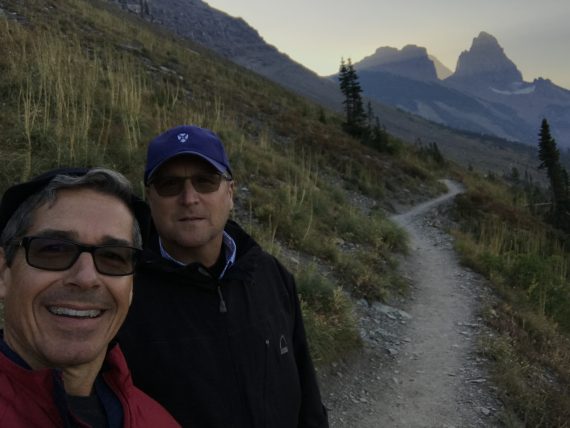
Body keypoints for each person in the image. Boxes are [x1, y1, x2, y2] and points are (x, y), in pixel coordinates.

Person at [118, 125, 329, 427]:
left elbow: (307, 393)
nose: (189, 198)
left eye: (206, 181)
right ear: (150, 197)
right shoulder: (124, 296)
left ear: (229, 192)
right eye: (169, 184)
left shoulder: (271, 275)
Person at [0, 168, 180, 428]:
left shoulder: (159, 422)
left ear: (130, 288)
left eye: (113, 257)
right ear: (4, 272)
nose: (86, 278)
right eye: (54, 249)